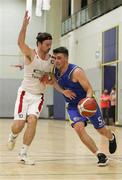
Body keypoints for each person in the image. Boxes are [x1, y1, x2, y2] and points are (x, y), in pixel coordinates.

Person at [51, 46, 117, 167]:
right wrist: (63, 91)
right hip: (72, 106)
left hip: (87, 103)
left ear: (66, 59)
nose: (56, 61)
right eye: (54, 58)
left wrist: (87, 101)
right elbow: (54, 82)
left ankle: (111, 137)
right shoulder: (54, 70)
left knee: (100, 130)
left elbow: (89, 89)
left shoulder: (76, 71)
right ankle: (100, 155)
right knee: (79, 129)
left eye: (59, 58)